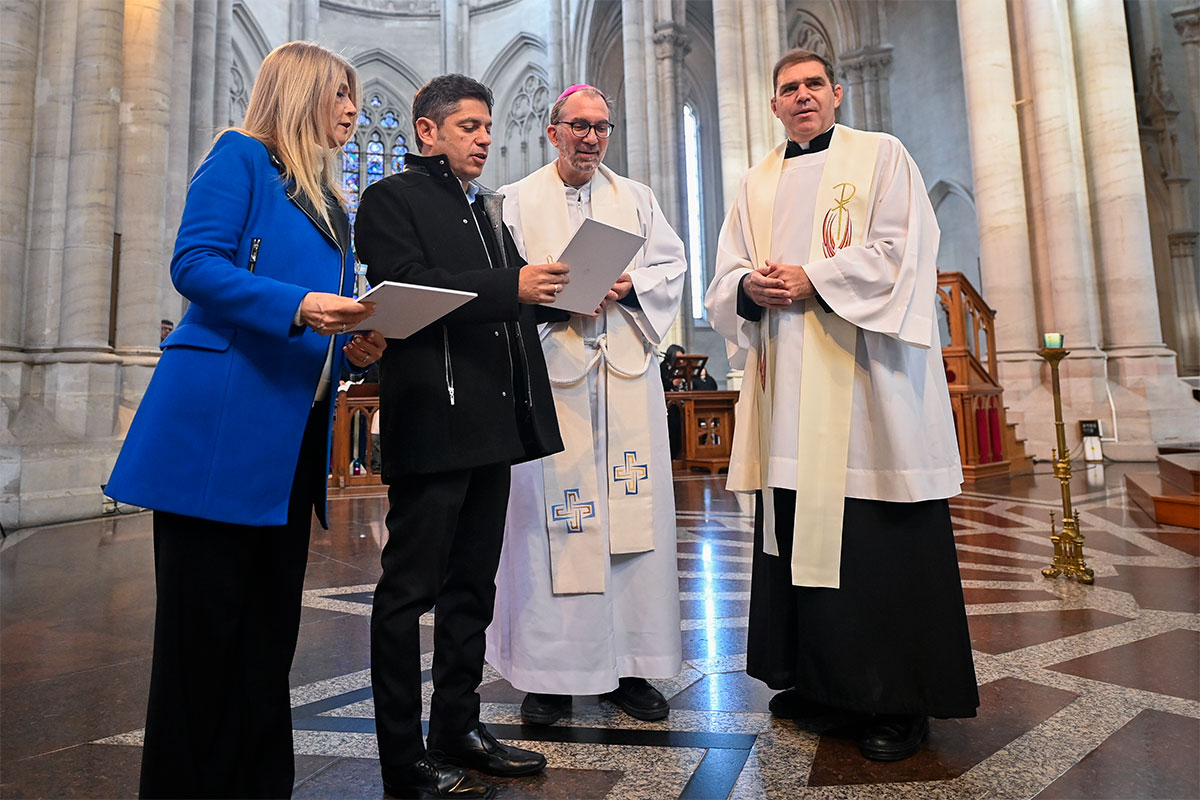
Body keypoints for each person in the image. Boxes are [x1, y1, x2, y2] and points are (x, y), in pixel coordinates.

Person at [104, 41, 386, 797]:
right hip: (221, 430)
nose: (352, 110)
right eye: (339, 94)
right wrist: (296, 305)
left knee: (267, 634)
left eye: (356, 97)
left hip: (290, 435)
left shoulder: (330, 202)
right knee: (203, 635)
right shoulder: (240, 157)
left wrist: (358, 344)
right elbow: (195, 264)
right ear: (297, 93)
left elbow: (322, 317)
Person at [704, 49, 978, 763]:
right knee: (801, 542)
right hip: (787, 396)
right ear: (773, 105)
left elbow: (902, 253)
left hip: (870, 395)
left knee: (880, 545)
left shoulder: (882, 156)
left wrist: (812, 279)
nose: (802, 97)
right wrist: (748, 290)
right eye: (788, 89)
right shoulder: (757, 182)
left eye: (813, 85)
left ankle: (899, 700)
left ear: (838, 93)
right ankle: (826, 684)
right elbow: (725, 273)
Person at [354, 74, 565, 800]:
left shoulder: (486, 211)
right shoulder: (389, 200)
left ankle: (458, 726)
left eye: (487, 126)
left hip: (493, 422)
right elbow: (409, 287)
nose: (482, 138)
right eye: (469, 126)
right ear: (427, 132)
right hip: (435, 420)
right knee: (409, 591)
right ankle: (400, 756)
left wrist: (561, 300)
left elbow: (503, 303)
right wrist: (515, 288)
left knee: (473, 586)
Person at [486, 84, 686, 726]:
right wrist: (553, 301)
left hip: (625, 377)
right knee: (550, 528)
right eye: (579, 126)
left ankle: (630, 669)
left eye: (602, 126)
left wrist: (630, 285)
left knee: (633, 530)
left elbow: (672, 268)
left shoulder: (638, 199)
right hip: (553, 383)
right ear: (553, 132)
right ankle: (551, 676)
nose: (592, 137)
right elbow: (500, 291)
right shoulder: (514, 203)